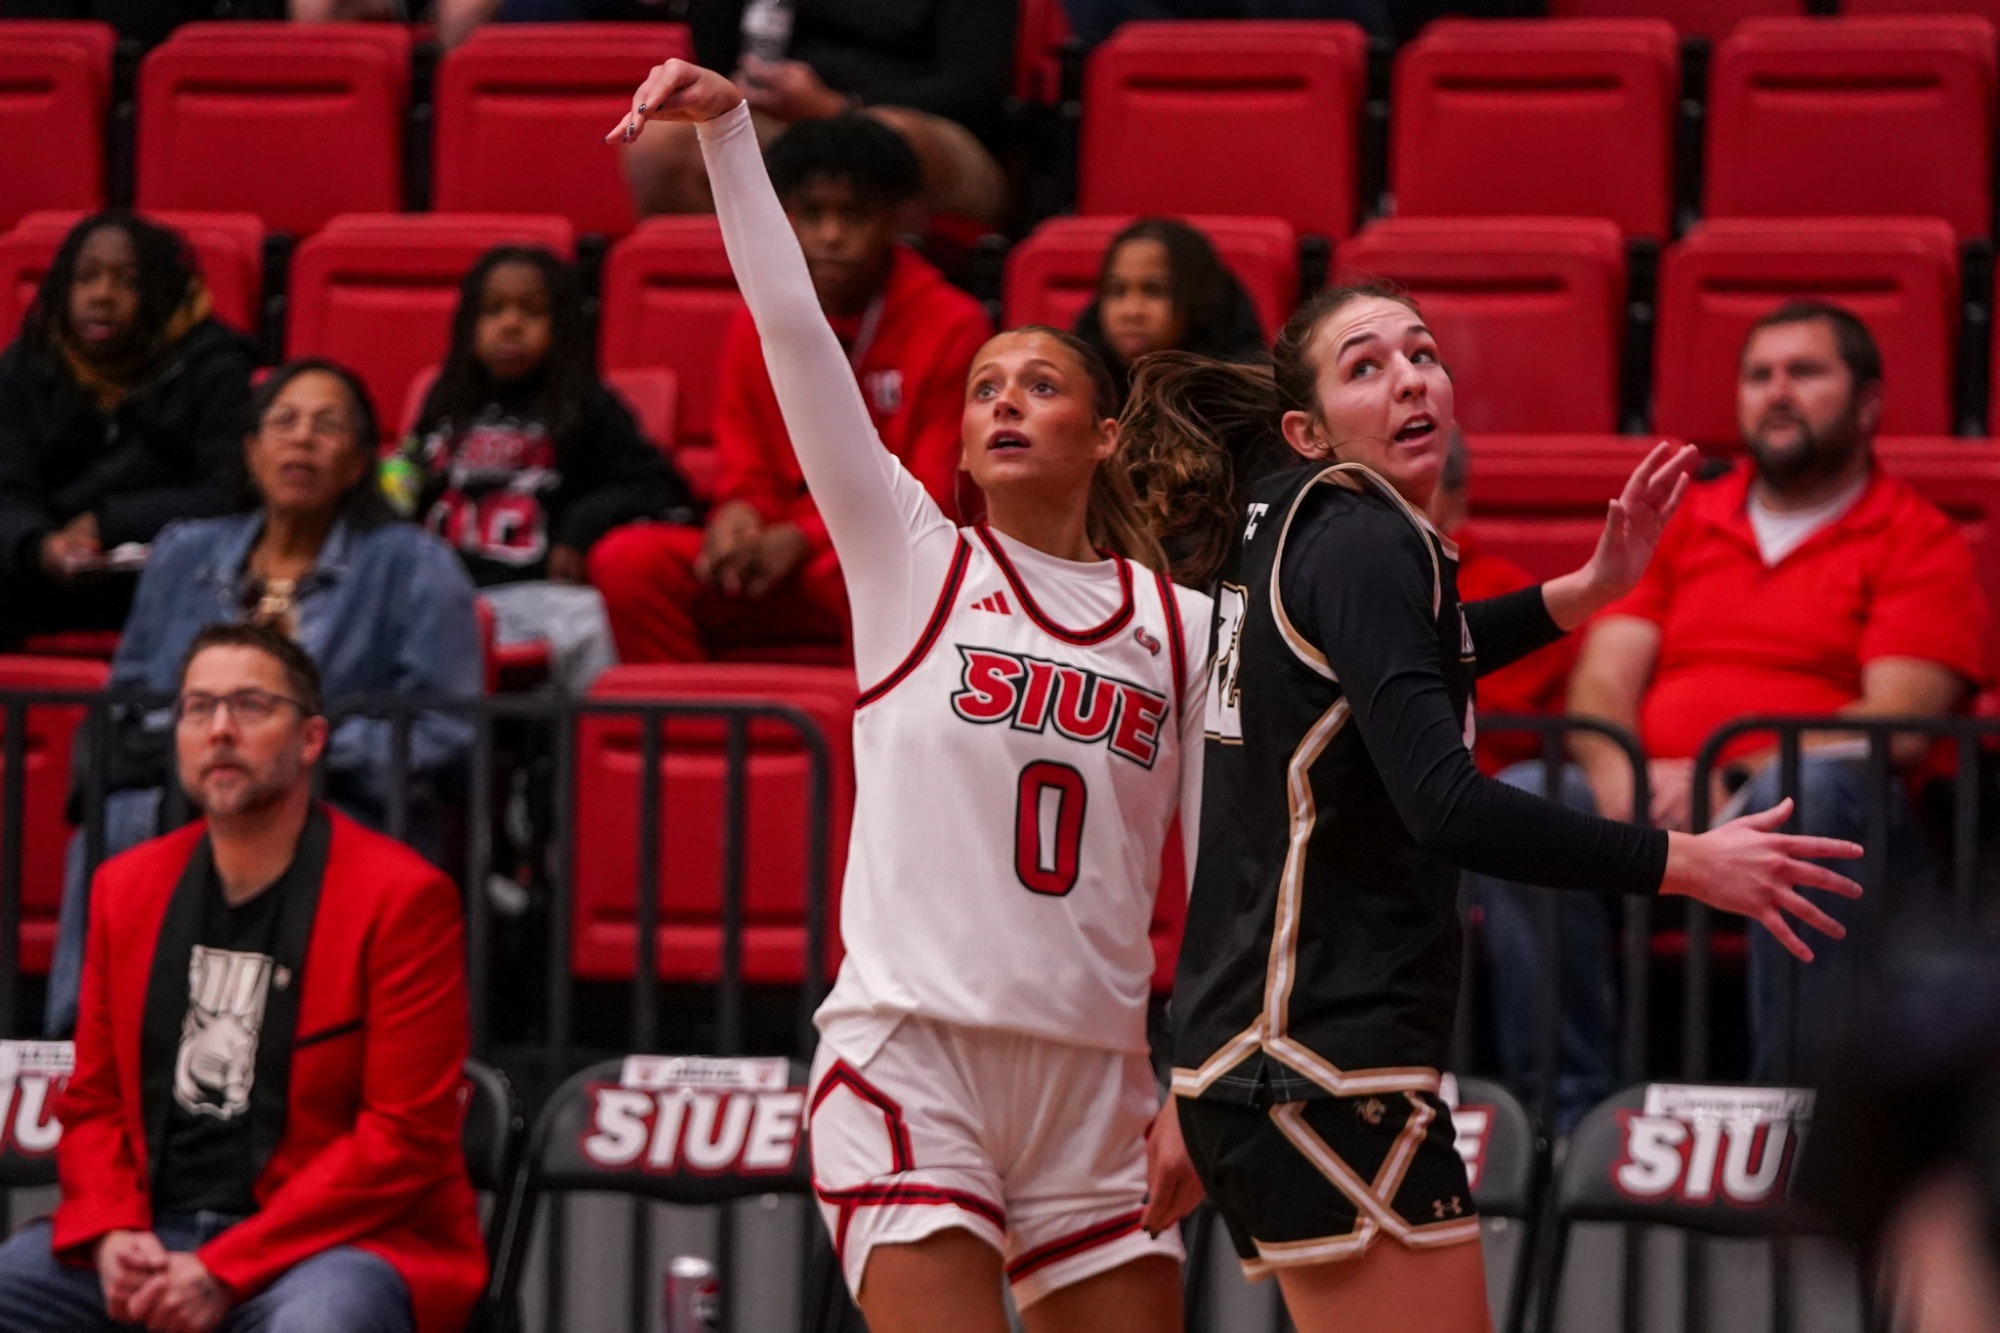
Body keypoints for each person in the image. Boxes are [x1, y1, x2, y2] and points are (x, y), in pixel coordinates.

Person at [1124, 283, 1865, 1333]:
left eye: (1421, 353)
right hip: (1317, 1065)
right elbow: (1445, 804)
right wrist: (1681, 861)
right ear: (1306, 427)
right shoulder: (1367, 538)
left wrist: (1583, 590)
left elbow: (1406, 660)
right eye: (1365, 366)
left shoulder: (1297, 523)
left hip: (1264, 1059)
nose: (1410, 378)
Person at [613, 60, 1209, 1333]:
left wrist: (1205, 1080)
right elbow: (792, 331)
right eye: (986, 385)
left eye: (1041, 384)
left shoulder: (1180, 623)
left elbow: (1226, 882)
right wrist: (729, 134)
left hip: (1102, 1080)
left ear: (1105, 435)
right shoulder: (911, 558)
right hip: (912, 1060)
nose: (1005, 400)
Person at [1469, 302, 1991, 1127]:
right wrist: (1622, 775)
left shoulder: (1915, 537)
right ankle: (1565, 1127)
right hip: (1657, 802)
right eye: (1760, 375)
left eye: (1805, 371)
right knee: (1524, 795)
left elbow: (1899, 718)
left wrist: (1736, 778)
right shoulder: (1683, 525)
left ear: (1868, 404)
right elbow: (1603, 679)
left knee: (1808, 791)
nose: (1777, 392)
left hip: (1816, 807)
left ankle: (1785, 1128)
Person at [0, 622, 487, 1333]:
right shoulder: (124, 888)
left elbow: (401, 1138)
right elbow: (94, 1101)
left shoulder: (401, 897)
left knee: (320, 1321)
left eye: (251, 706)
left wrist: (227, 1266)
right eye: (198, 708)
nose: (219, 729)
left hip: (332, 1243)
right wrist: (111, 1230)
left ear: (311, 740)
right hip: (152, 1229)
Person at [45, 359, 481, 1038]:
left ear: (360, 461)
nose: (302, 439)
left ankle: (299, 1047)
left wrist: (302, 754)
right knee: (121, 816)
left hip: (338, 792)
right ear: (250, 451)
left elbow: (444, 727)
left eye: (327, 425)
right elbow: (127, 697)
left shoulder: (414, 565)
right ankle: (84, 1042)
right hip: (186, 791)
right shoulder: (184, 552)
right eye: (283, 421)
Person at [590, 113, 992, 664]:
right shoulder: (756, 317)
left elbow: (934, 499)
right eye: (812, 214)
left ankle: (871, 745)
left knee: (895, 576)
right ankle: (694, 739)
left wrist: (804, 538)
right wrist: (739, 516)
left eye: (853, 215)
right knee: (628, 563)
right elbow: (745, 461)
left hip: (870, 556)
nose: (830, 235)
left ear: (896, 220)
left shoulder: (953, 324)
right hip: (779, 552)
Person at [392, 245, 692, 694]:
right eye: (492, 311)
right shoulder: (445, 399)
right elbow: (405, 478)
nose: (510, 323)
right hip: (439, 595)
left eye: (532, 311)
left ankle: (594, 753)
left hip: (533, 591)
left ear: (564, 325)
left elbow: (658, 485)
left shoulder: (588, 404)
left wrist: (579, 528)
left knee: (589, 619)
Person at [0, 212, 256, 649]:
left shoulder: (214, 367)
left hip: (166, 572)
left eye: (128, 282)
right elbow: (6, 488)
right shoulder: (28, 363)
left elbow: (226, 494)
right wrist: (40, 545)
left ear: (161, 295)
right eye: (85, 278)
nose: (101, 296)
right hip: (46, 572)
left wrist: (108, 522)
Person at [618, 0, 1013, 225]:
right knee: (661, 144)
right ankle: (730, 304)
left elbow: (975, 87)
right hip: (781, 118)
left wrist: (839, 108)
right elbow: (716, 54)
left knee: (880, 140)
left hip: (930, 128)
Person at [1425, 428, 1574, 777]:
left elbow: (1514, 735)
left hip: (1484, 787)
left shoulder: (1507, 589)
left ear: (1457, 499)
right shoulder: (1343, 582)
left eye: (1420, 486)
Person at [1073, 217, 1268, 411]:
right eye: (1116, 290)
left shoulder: (1247, 407)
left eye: (1155, 291)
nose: (1131, 311)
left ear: (1199, 301)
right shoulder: (1080, 388)